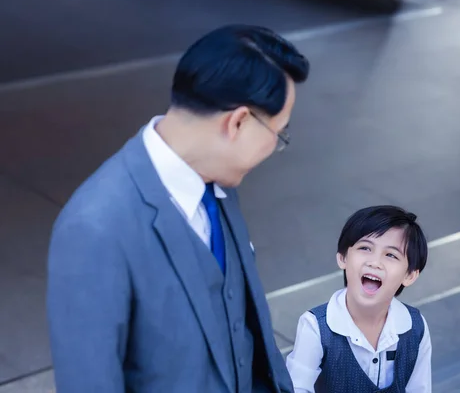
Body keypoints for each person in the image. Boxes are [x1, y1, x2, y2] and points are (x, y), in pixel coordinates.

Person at [46, 24, 309, 393]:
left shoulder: (218, 178)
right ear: (238, 122)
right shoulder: (94, 227)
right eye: (278, 134)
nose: (273, 148)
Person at [286, 205, 431, 393]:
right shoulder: (315, 327)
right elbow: (296, 388)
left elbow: (419, 389)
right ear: (343, 257)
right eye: (365, 248)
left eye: (390, 255)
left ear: (410, 275)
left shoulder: (415, 327)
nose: (374, 262)